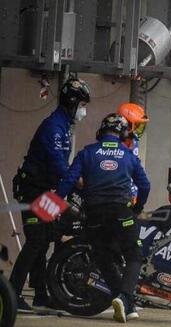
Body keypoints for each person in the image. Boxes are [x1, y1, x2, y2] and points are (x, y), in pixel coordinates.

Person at [56, 114, 150, 323]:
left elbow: (69, 179)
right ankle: (125, 297)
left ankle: (127, 304)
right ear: (123, 133)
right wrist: (138, 207)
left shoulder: (87, 152)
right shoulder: (128, 155)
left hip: (94, 213)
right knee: (134, 256)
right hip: (121, 212)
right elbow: (145, 185)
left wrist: (55, 202)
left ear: (102, 131)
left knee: (103, 257)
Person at [11, 77, 90, 312]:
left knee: (46, 238)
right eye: (83, 105)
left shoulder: (64, 126)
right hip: (32, 190)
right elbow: (59, 165)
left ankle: (41, 294)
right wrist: (78, 183)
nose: (84, 111)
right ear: (72, 102)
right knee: (36, 240)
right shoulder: (54, 127)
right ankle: (13, 293)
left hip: (44, 191)